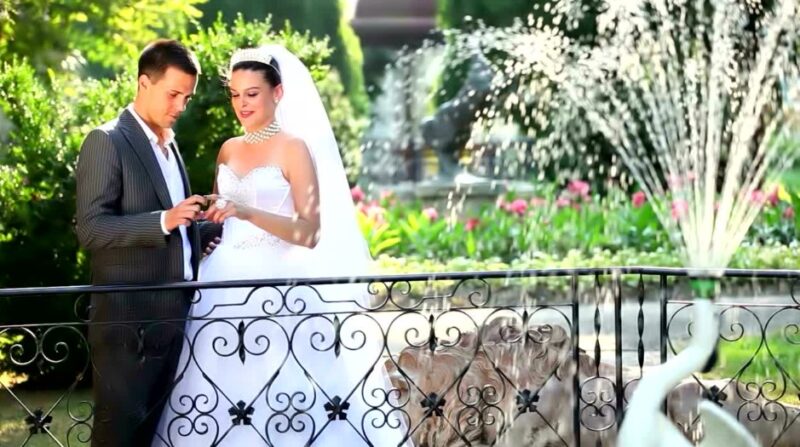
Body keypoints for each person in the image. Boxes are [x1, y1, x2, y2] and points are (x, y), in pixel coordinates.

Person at [153, 45, 409, 446]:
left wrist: (245, 211)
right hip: (220, 289)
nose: (242, 104)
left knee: (288, 402)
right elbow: (224, 217)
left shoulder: (295, 148)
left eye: (252, 93)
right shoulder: (229, 149)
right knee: (215, 402)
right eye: (235, 95)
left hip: (281, 291)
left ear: (278, 93)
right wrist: (204, 214)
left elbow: (308, 232)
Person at [75, 39, 221, 446]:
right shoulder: (106, 141)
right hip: (127, 326)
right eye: (173, 94)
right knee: (117, 438)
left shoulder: (170, 145)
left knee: (150, 440)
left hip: (172, 322)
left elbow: (174, 232)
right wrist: (164, 220)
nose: (180, 106)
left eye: (187, 98)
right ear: (143, 82)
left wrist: (205, 231)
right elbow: (91, 229)